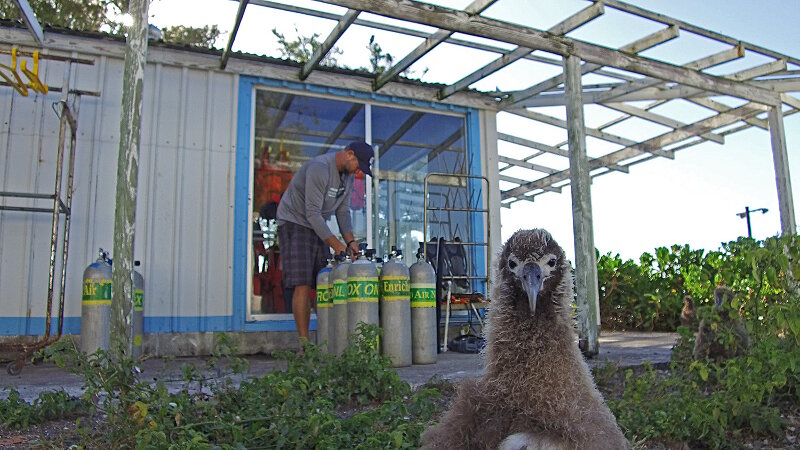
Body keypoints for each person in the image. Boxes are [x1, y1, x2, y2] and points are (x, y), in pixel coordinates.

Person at [276, 141, 374, 345]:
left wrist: (351, 242)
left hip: (316, 225)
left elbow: (342, 211)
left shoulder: (347, 178)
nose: (358, 171)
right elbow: (311, 213)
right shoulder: (319, 169)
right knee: (302, 282)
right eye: (358, 165)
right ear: (349, 154)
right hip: (295, 222)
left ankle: (327, 341)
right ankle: (305, 346)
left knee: (324, 280)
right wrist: (337, 245)